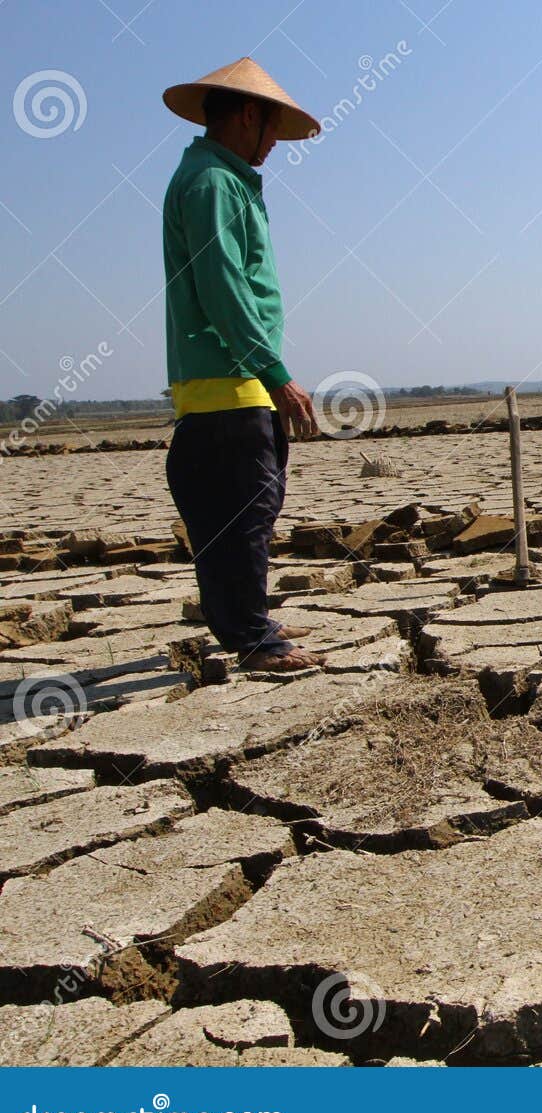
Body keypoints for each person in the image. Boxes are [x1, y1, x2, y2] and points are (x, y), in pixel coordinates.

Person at [160, 58, 325, 673]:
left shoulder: (216, 178)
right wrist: (274, 372)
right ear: (249, 116)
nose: (274, 148)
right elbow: (223, 285)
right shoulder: (212, 184)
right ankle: (254, 640)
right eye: (272, 134)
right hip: (231, 387)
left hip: (223, 388)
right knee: (244, 513)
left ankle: (242, 619)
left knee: (233, 514)